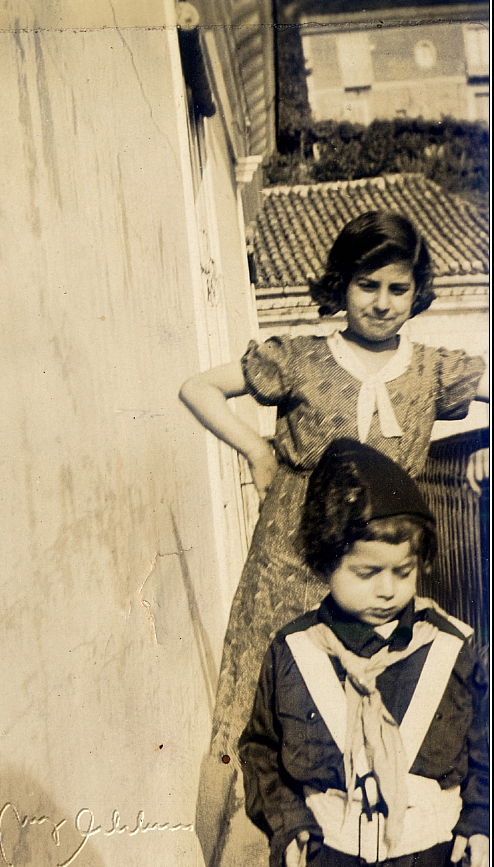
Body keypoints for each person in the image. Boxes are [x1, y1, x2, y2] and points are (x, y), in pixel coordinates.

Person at [180, 211, 488, 779]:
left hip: (380, 570)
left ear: (417, 293)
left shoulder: (433, 371)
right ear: (341, 284)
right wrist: (257, 449)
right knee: (261, 706)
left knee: (373, 710)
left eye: (398, 288)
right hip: (288, 561)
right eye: (366, 285)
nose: (382, 302)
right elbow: (196, 388)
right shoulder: (296, 359)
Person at [239, 439, 489, 867]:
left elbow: (483, 745)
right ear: (325, 562)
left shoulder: (451, 648)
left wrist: (480, 822)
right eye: (366, 573)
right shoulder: (293, 652)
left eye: (403, 571)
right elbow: (260, 750)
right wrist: (288, 827)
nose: (387, 591)